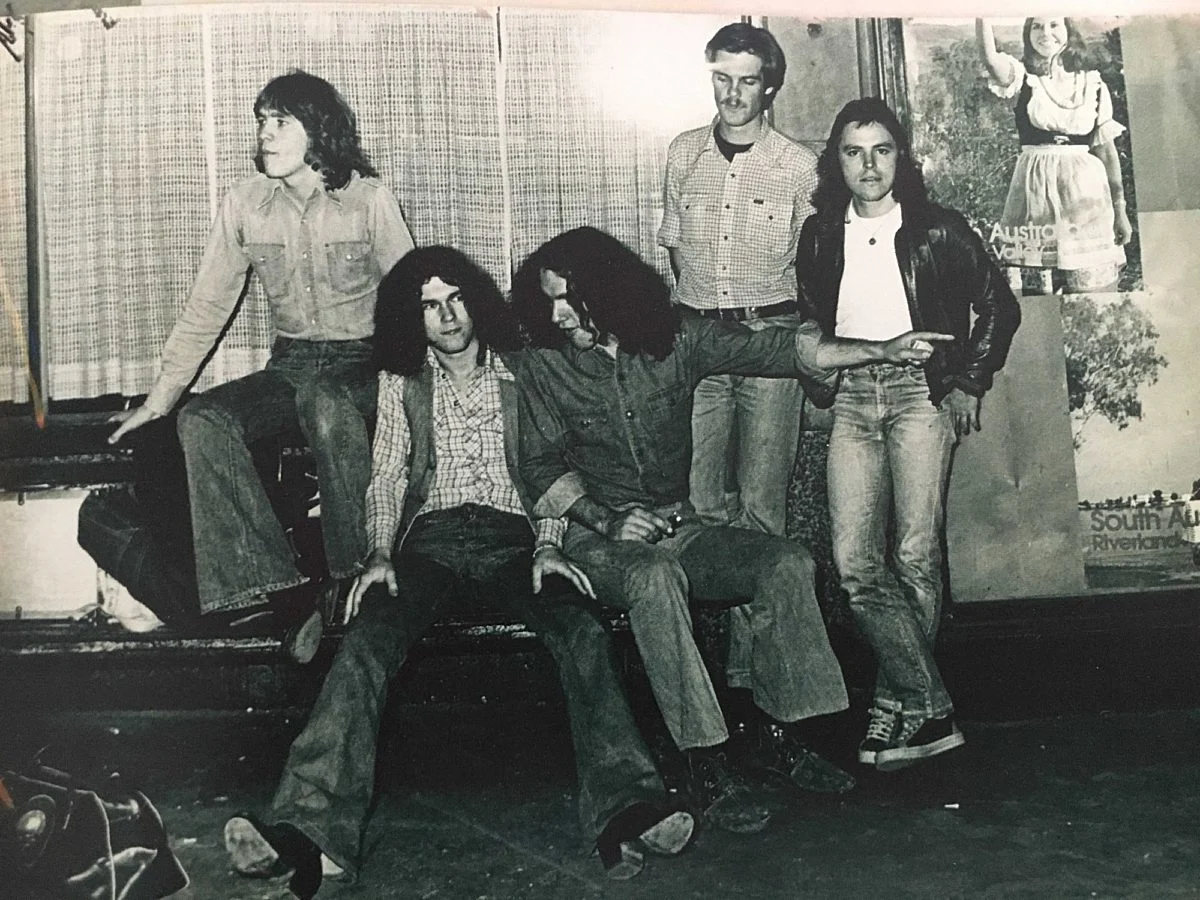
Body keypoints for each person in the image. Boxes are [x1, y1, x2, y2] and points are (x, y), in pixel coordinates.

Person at [222, 247, 694, 897]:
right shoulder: (402, 380)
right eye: (428, 307)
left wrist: (551, 545)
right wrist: (381, 553)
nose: (446, 318)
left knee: (582, 630)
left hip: (513, 537)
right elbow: (386, 473)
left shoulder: (522, 370)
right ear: (410, 320)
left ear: (474, 300)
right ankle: (309, 834)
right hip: (432, 541)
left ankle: (629, 811)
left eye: (455, 300)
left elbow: (549, 464)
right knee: (365, 642)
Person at [511, 226, 952, 834]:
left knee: (785, 563)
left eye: (569, 299)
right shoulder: (544, 364)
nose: (558, 315)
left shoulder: (675, 339)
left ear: (609, 293)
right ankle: (705, 759)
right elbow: (537, 468)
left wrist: (881, 349)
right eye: (549, 300)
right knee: (656, 576)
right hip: (598, 540)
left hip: (680, 524)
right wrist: (607, 519)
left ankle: (777, 733)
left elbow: (782, 352)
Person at [109, 70, 414, 660]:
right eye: (262, 122)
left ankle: (352, 584)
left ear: (318, 130)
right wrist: (158, 401)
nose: (265, 136)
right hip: (292, 363)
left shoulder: (370, 199)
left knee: (325, 402)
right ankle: (271, 590)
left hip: (362, 363)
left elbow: (409, 301)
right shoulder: (244, 205)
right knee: (202, 421)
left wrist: (421, 388)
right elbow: (208, 303)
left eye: (281, 122)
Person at [796, 97, 1021, 772]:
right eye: (853, 151)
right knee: (854, 561)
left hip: (920, 397)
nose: (869, 164)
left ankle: (896, 708)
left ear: (901, 156)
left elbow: (996, 307)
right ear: (836, 160)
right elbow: (813, 319)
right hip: (855, 400)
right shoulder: (818, 234)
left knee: (916, 555)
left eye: (882, 149)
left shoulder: (936, 229)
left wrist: (968, 384)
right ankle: (927, 704)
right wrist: (823, 387)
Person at [658, 22, 817, 543]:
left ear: (769, 86)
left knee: (763, 506)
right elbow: (676, 244)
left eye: (747, 81)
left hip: (770, 342)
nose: (732, 93)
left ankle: (759, 626)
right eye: (722, 77)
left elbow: (810, 264)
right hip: (698, 345)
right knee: (697, 503)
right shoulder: (684, 153)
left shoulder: (798, 167)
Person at [976, 17, 1132, 294]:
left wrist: (1121, 211)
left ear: (1069, 30)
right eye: (1036, 26)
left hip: (1086, 201)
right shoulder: (1023, 77)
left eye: (1053, 25)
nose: (1045, 33)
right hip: (1035, 199)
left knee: (1091, 288)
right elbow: (990, 58)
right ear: (1027, 34)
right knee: (1038, 292)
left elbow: (1106, 152)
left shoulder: (1093, 84)